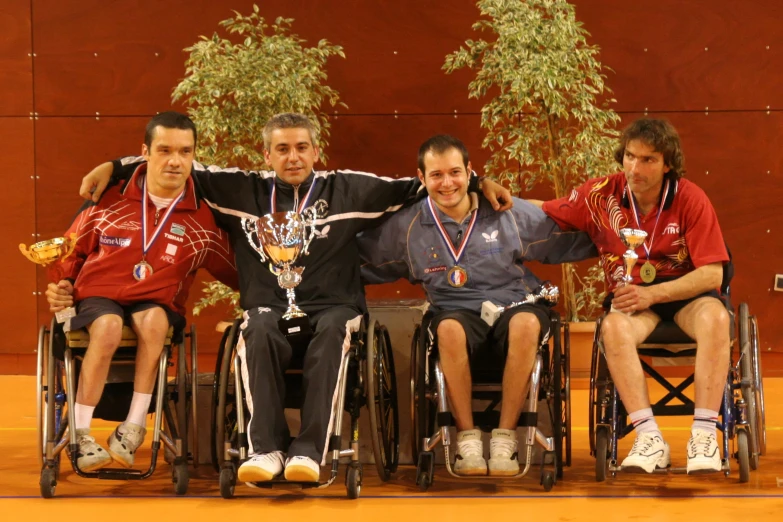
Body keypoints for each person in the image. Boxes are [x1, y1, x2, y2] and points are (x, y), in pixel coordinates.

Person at [78, 113, 513, 483]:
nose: (293, 157)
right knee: (258, 328)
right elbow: (171, 161)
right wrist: (114, 166)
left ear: (316, 151)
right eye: (282, 149)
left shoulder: (348, 189)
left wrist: (481, 179)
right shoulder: (239, 189)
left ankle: (308, 451)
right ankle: (265, 450)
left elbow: (425, 182)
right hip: (269, 307)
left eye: (302, 147)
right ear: (267, 155)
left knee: (333, 332)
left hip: (333, 308)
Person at [359, 135, 595, 476]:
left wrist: (618, 240)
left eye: (455, 172)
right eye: (436, 175)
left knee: (526, 324)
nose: (446, 183)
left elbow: (565, 238)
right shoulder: (407, 227)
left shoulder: (505, 212)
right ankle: (466, 439)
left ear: (470, 172)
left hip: (515, 305)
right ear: (421, 178)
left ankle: (505, 438)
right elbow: (361, 259)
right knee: (449, 329)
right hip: (453, 313)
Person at [46, 111, 237, 471]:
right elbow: (73, 249)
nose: (175, 161)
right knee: (108, 328)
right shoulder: (109, 199)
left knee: (155, 324)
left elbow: (234, 271)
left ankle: (133, 428)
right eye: (164, 150)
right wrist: (62, 283)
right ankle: (81, 433)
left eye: (185, 151)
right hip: (98, 297)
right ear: (145, 153)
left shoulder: (202, 218)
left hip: (157, 301)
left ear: (194, 155)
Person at [539, 117, 730, 474]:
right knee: (613, 327)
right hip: (633, 299)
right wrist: (491, 196)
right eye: (629, 156)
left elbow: (712, 273)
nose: (634, 167)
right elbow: (545, 210)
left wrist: (654, 294)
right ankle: (648, 437)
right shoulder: (601, 195)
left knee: (718, 318)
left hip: (685, 294)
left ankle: (704, 436)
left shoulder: (690, 198)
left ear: (668, 162)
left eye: (648, 160)